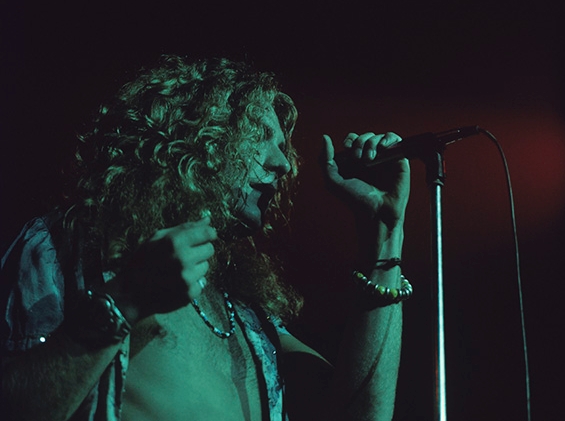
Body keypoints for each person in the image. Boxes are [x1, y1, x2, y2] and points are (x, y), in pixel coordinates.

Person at [1, 55, 411, 421]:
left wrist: (385, 236)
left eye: (282, 146)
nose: (283, 163)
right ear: (193, 132)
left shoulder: (247, 316)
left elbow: (360, 414)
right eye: (258, 133)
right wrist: (124, 300)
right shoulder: (69, 247)